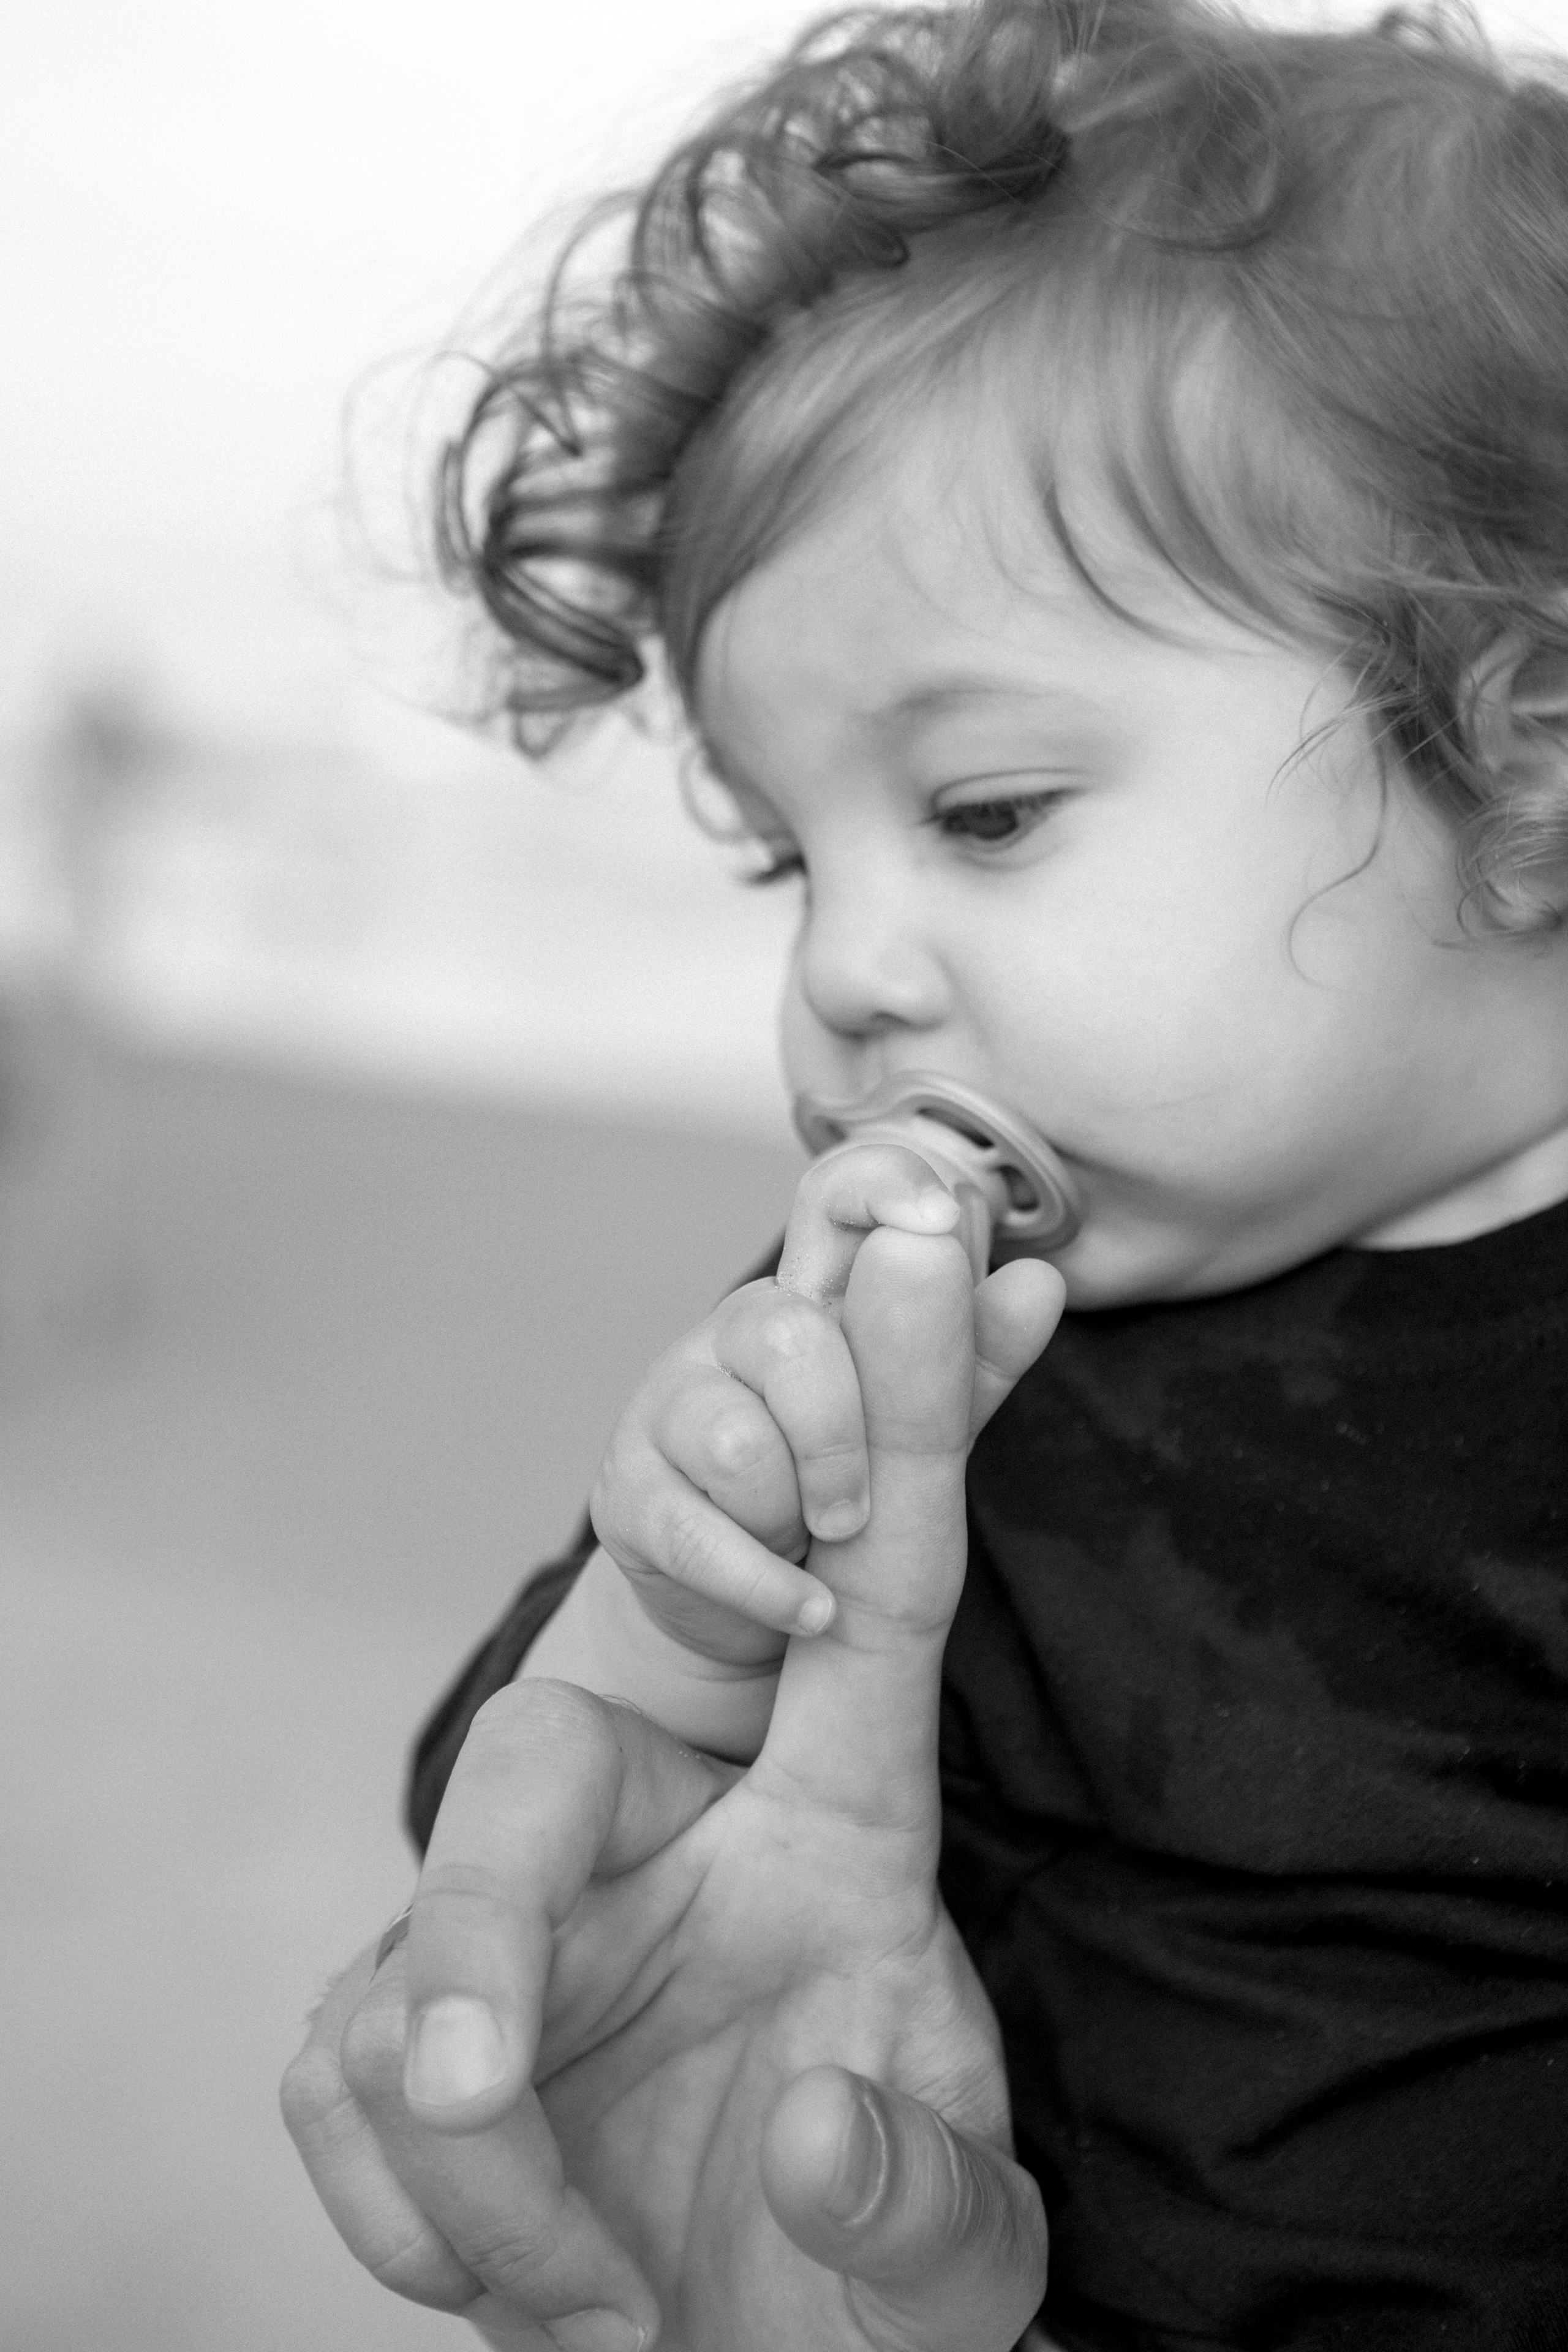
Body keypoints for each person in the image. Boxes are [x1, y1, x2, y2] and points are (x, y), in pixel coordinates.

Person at [282, 1, 1568, 2345]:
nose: (854, 971)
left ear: (1528, 746)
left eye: (982, 813)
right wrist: (663, 1625)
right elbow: (530, 1841)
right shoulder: (908, 1334)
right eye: (792, 861)